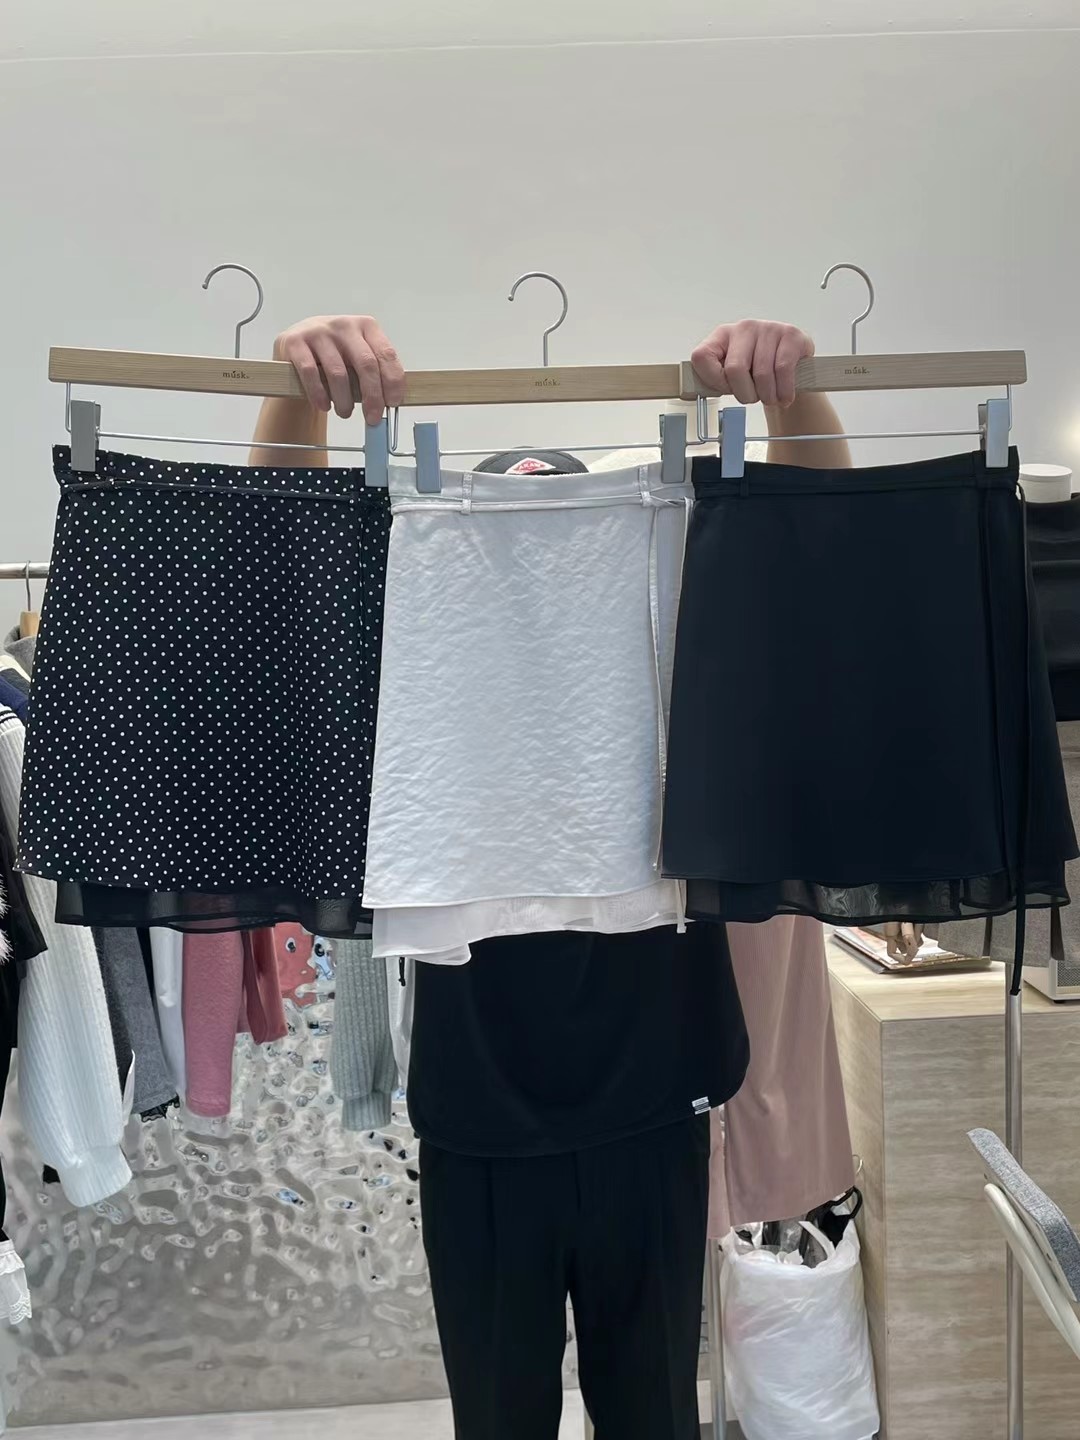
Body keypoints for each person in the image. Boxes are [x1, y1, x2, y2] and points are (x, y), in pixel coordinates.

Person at [251, 316, 849, 1440]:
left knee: (656, 1416)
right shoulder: (415, 613)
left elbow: (817, 553)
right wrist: (297, 390)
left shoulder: (675, 604)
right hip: (479, 1118)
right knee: (500, 1421)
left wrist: (793, 392)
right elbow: (280, 560)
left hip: (657, 1101)